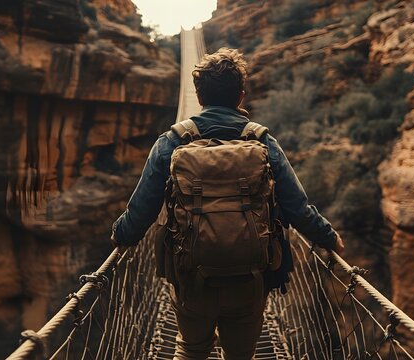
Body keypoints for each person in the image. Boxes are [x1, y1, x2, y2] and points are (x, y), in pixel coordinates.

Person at [111, 47, 344, 360]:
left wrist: (120, 236)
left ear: (199, 96)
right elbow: (297, 207)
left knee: (191, 351)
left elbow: (141, 211)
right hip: (250, 278)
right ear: (241, 96)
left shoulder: (172, 141)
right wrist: (328, 237)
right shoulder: (261, 141)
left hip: (192, 276)